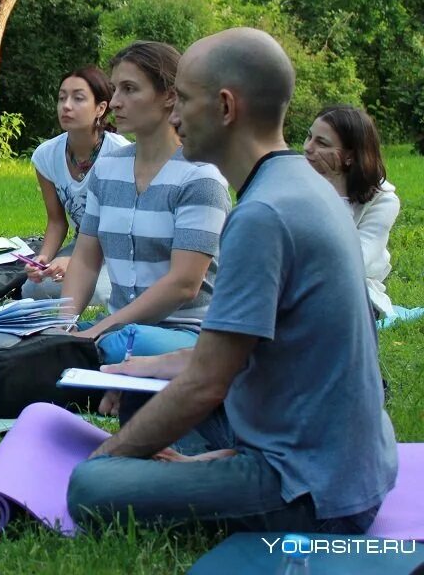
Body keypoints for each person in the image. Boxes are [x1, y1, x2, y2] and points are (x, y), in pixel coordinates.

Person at [67, 27, 397, 534]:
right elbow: (227, 358)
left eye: (185, 101)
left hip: (314, 487)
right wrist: (145, 369)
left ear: (225, 107)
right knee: (142, 393)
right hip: (341, 456)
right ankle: (213, 459)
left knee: (89, 489)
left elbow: (205, 383)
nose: (175, 116)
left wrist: (105, 460)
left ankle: (219, 470)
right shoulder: (299, 185)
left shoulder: (263, 213)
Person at [62, 42, 231, 364]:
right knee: (34, 337)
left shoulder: (201, 178)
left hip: (189, 335)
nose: (115, 102)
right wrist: (63, 324)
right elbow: (85, 259)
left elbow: (184, 284)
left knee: (113, 345)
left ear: (169, 96)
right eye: (115, 90)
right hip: (118, 328)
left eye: (129, 89)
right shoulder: (109, 170)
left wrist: (98, 331)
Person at [21, 66, 129, 302]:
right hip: (83, 243)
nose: (66, 106)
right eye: (62, 98)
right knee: (32, 289)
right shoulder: (46, 155)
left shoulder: (120, 154)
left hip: (120, 248)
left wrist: (74, 263)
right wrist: (43, 259)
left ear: (101, 108)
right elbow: (57, 222)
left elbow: (122, 229)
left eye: (78, 98)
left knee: (100, 292)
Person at [304, 105, 401, 318]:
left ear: (350, 156)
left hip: (353, 290)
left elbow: (351, 263)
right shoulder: (298, 182)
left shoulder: (384, 201)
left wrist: (336, 189)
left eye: (321, 142)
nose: (308, 148)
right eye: (309, 137)